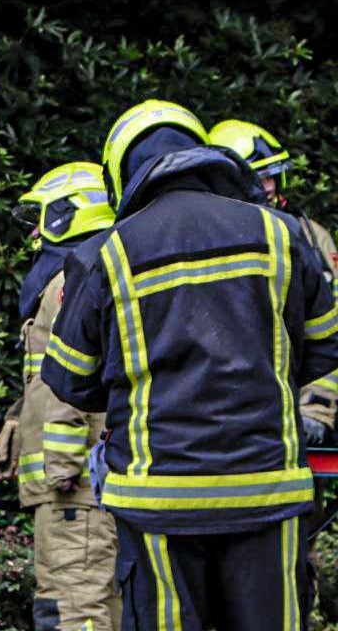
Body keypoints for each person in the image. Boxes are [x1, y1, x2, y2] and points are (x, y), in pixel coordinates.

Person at [42, 98, 338, 631]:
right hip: (267, 490)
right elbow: (325, 344)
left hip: (158, 501)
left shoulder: (104, 254)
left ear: (120, 173)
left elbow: (69, 378)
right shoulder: (281, 234)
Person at [0, 162, 120, 631]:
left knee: (73, 608)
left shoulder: (72, 280)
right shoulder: (91, 271)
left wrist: (63, 464)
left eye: (40, 218)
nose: (33, 236)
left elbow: (70, 377)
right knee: (95, 603)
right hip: (81, 488)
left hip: (75, 492)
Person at [210, 119, 338, 445]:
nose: (268, 186)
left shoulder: (309, 238)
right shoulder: (204, 240)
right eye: (258, 176)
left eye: (271, 175)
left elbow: (329, 331)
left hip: (295, 416)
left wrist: (316, 410)